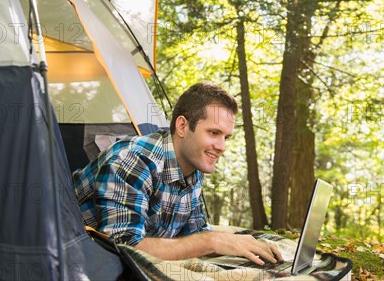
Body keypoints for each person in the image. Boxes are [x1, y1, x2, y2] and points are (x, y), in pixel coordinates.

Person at [73, 82, 283, 265]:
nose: (221, 147)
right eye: (213, 133)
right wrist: (213, 241)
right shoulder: (133, 160)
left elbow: (193, 235)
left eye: (226, 137)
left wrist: (245, 242)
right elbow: (124, 248)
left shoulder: (193, 169)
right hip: (77, 261)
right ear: (182, 126)